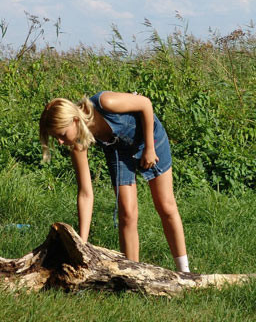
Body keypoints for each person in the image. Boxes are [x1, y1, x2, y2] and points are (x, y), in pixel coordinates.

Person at [39, 91, 190, 272]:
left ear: (75, 121)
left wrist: (149, 148)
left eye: (62, 135)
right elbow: (86, 193)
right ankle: (134, 272)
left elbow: (145, 104)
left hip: (149, 137)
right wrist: (81, 244)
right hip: (119, 151)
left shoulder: (105, 102)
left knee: (165, 205)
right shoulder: (77, 145)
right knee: (127, 212)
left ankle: (184, 271)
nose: (61, 142)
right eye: (57, 138)